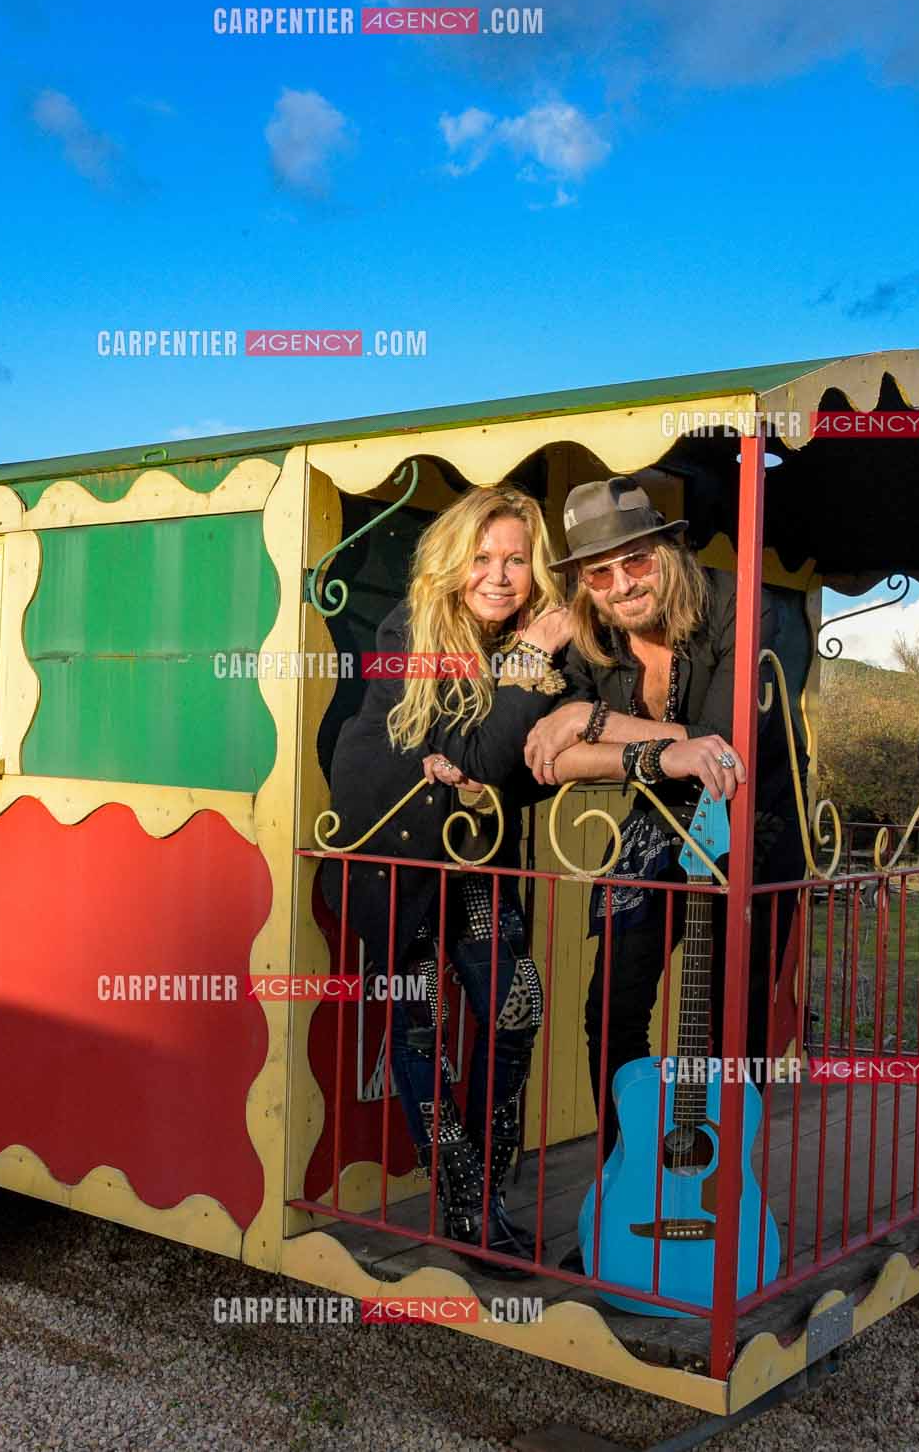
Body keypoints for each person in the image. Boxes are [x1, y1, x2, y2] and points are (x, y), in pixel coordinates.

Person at [319, 485, 574, 1274]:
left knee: (516, 1007)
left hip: (477, 854)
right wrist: (523, 683)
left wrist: (491, 746)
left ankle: (476, 1202)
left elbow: (521, 768)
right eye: (483, 559)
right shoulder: (412, 629)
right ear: (454, 564)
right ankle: (469, 1206)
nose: (500, 576)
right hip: (396, 845)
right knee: (419, 1022)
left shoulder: (540, 638)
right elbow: (482, 755)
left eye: (518, 561)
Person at [521, 476, 809, 1160]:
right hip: (655, 823)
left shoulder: (749, 609)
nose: (622, 584)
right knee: (612, 1010)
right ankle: (629, 1181)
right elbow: (552, 763)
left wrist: (588, 719)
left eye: (637, 560)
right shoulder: (592, 637)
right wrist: (641, 747)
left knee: (730, 1023)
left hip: (754, 827)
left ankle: (720, 1190)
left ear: (668, 551)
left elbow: (721, 748)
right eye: (600, 572)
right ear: (583, 583)